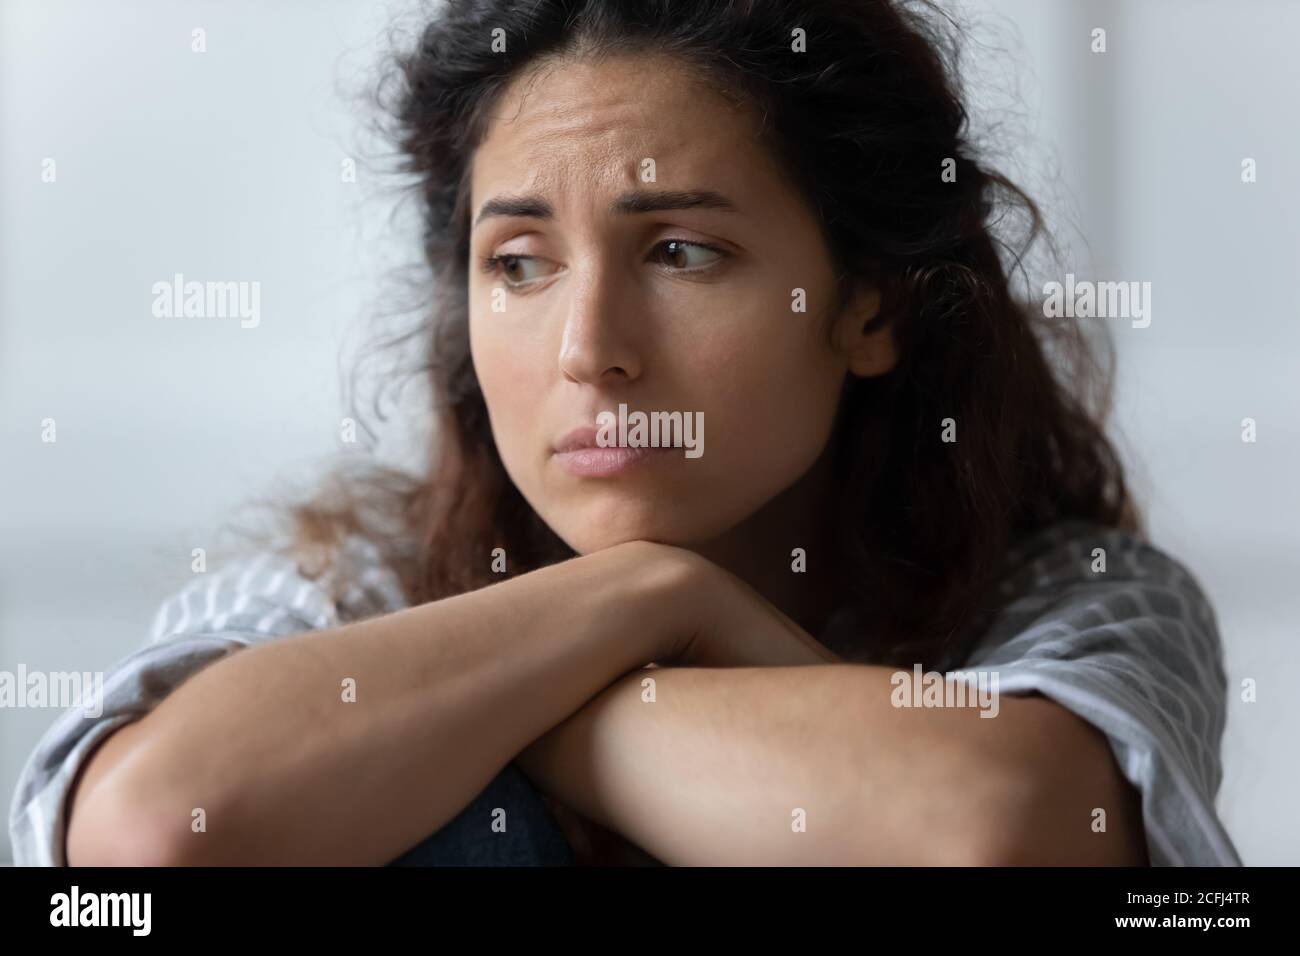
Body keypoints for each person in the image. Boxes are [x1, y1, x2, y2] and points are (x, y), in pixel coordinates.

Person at [9, 0, 1240, 867]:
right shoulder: (348, 584)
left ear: (869, 305)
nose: (586, 344)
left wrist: (499, 696)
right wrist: (650, 597)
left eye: (681, 250)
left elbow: (988, 832)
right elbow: (155, 833)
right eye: (520, 262)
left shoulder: (1069, 603)